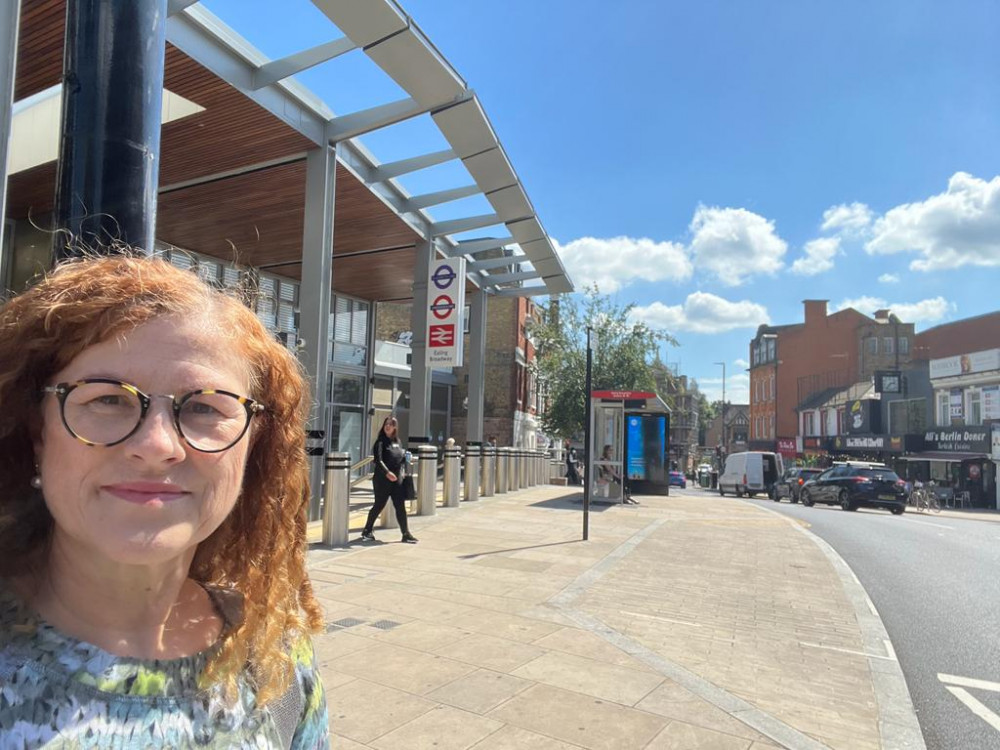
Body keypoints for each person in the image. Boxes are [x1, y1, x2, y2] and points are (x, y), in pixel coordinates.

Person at [0, 254, 328, 748]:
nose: (156, 446)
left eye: (202, 407)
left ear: (251, 445)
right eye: (106, 399)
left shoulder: (274, 661)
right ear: (38, 431)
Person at [361, 417, 417, 544]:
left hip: (397, 480)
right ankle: (367, 530)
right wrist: (387, 473)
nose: (388, 426)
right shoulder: (380, 442)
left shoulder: (398, 442)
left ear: (395, 427)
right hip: (382, 480)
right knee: (379, 505)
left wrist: (406, 458)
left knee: (400, 506)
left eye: (391, 425)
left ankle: (406, 533)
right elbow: (378, 460)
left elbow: (399, 458)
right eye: (386, 424)